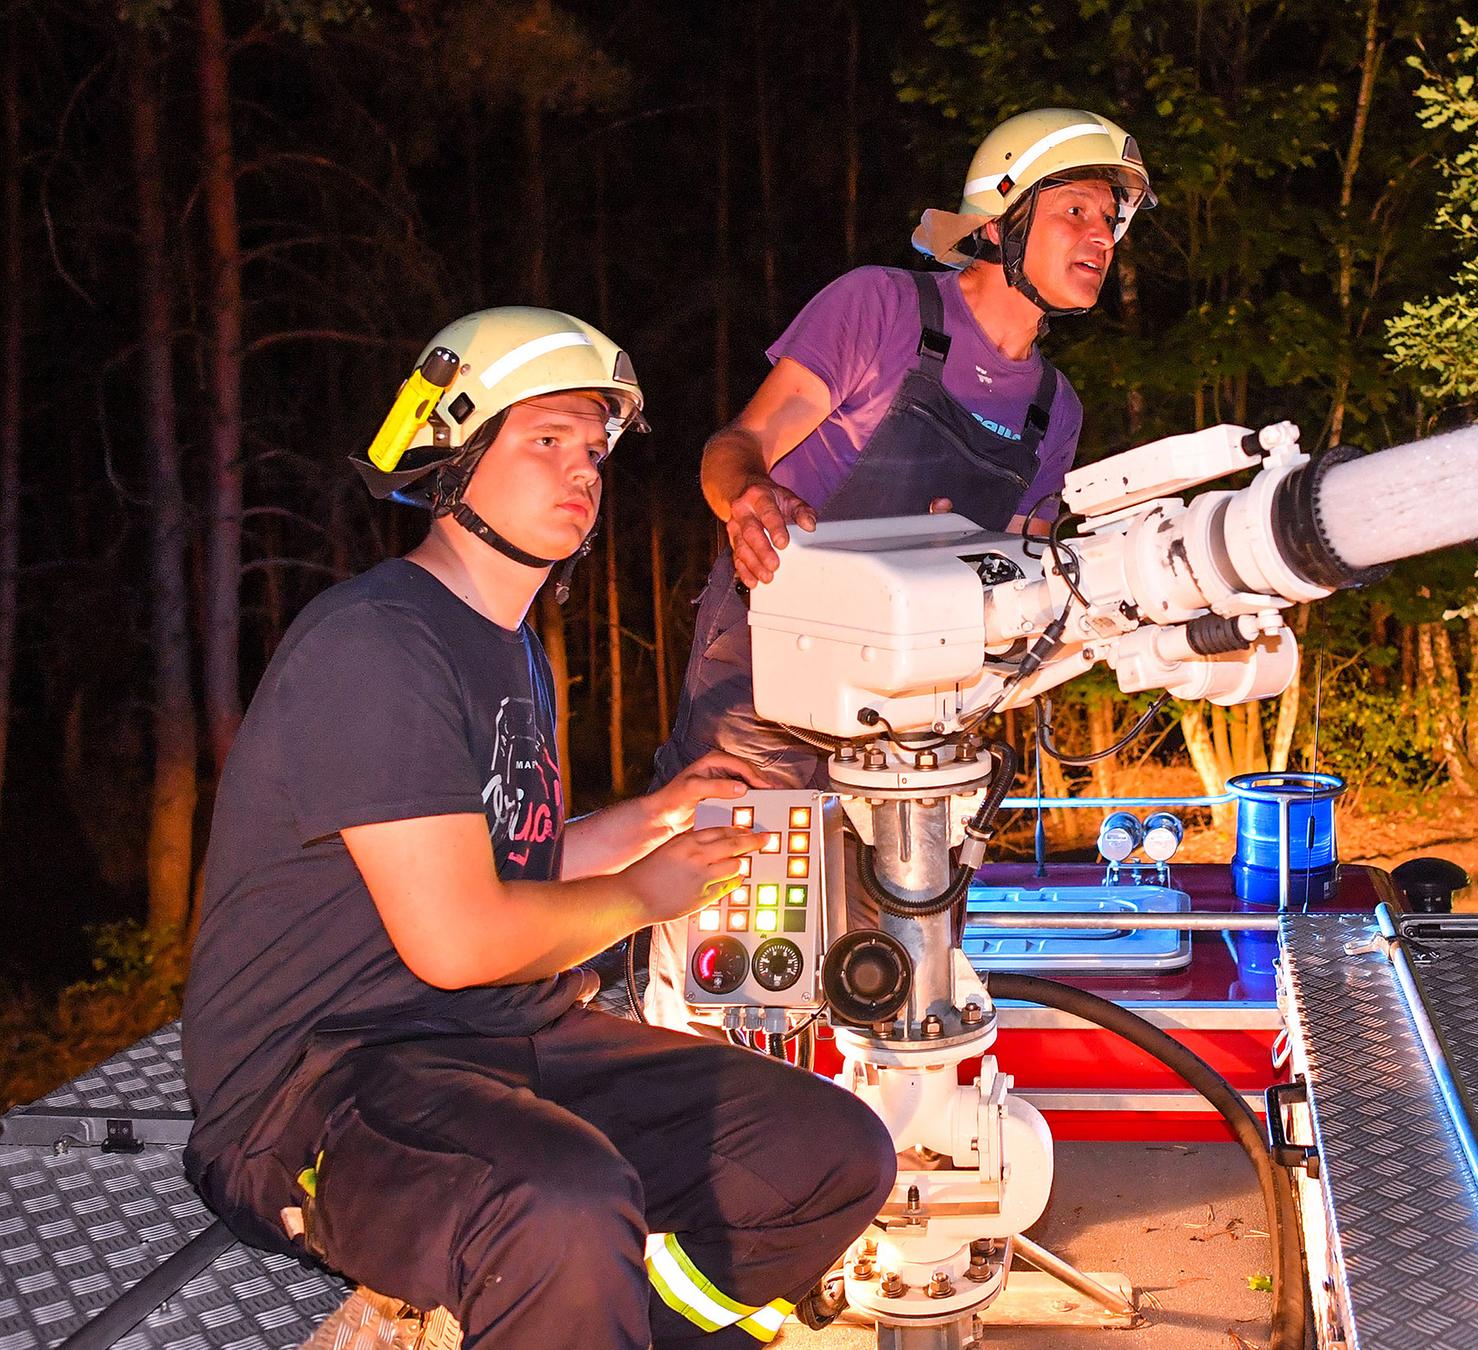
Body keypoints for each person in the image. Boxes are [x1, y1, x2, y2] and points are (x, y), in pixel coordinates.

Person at [180, 307, 897, 1348]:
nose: (584, 472)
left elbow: (516, 863)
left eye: (596, 451)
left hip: (494, 1036)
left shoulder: (511, 648)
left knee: (830, 1151)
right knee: (560, 1206)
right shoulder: (377, 644)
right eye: (545, 440)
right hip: (318, 1087)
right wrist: (651, 895)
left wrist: (652, 821)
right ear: (457, 452)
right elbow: (461, 935)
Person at [645, 108, 1155, 1028]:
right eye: (1075, 209)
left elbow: (1020, 572)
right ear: (1000, 220)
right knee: (732, 951)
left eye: (1110, 221)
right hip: (764, 681)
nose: (1099, 237)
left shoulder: (1054, 410)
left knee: (903, 964)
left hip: (916, 706)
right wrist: (747, 497)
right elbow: (739, 443)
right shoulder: (883, 309)